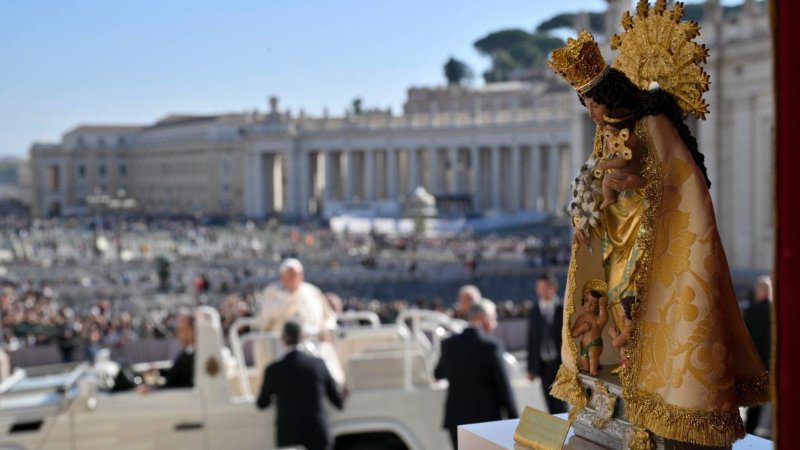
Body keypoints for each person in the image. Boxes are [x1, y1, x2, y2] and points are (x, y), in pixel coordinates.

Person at [548, 24, 768, 447]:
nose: (591, 114)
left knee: (639, 301)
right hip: (617, 233)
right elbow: (595, 182)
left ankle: (650, 380)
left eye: (593, 104)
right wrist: (588, 216)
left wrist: (630, 183)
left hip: (654, 232)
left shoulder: (652, 122)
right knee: (610, 297)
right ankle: (623, 369)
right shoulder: (606, 132)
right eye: (586, 106)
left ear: (609, 97)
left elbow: (679, 181)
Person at [435, 300, 518, 449]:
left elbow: (437, 373)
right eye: (493, 319)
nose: (495, 324)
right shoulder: (491, 346)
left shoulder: (449, 344)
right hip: (486, 422)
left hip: (456, 421)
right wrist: (514, 422)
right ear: (483, 319)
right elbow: (505, 390)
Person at [257, 320, 345, 450]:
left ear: (283, 339)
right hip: (317, 435)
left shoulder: (273, 370)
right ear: (303, 337)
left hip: (289, 438)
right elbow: (337, 401)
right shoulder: (318, 365)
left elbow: (262, 403)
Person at [526, 273, 566, 414]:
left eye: (543, 287)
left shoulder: (564, 308)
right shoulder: (535, 310)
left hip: (560, 364)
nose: (540, 291)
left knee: (561, 404)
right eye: (538, 287)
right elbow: (531, 340)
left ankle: (565, 433)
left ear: (553, 288)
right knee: (549, 404)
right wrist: (531, 368)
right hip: (543, 365)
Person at [137, 313, 195, 393]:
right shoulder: (187, 353)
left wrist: (152, 390)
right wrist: (159, 372)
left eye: (182, 330)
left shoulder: (193, 357)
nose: (178, 335)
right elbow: (175, 374)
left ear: (192, 331)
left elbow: (175, 385)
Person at [743, 275, 772, 435]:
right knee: (757, 398)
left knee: (755, 399)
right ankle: (751, 429)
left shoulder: (751, 309)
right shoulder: (768, 310)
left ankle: (750, 429)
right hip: (761, 361)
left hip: (757, 361)